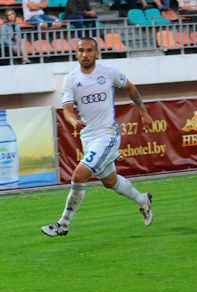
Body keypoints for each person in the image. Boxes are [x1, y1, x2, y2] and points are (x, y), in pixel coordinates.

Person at [42, 37, 153, 238]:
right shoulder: (71, 79)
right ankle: (143, 200)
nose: (85, 54)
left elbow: (130, 88)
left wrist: (143, 112)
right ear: (76, 53)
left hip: (107, 135)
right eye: (81, 50)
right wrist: (73, 121)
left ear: (97, 53)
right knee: (110, 182)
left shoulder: (109, 72)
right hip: (88, 137)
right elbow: (67, 110)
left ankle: (63, 224)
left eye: (89, 50)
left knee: (78, 176)